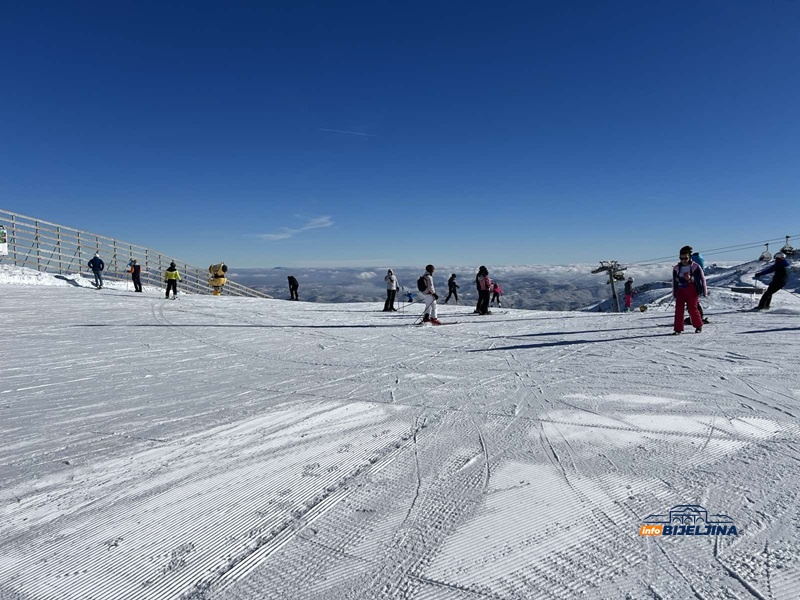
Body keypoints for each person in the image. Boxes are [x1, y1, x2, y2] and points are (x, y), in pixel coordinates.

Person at [672, 246, 706, 334]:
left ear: (689, 257)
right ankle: (678, 329)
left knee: (692, 308)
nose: (684, 260)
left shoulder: (695, 267)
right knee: (678, 309)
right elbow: (674, 281)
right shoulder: (676, 268)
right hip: (680, 289)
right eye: (681, 258)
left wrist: (690, 279)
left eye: (686, 258)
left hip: (692, 289)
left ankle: (698, 326)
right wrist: (675, 291)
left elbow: (701, 279)